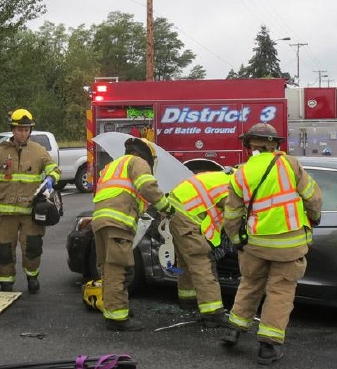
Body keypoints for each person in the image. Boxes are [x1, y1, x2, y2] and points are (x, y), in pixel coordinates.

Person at [221, 123, 322, 365]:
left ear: (249, 147)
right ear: (275, 145)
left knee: (250, 284)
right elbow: (313, 197)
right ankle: (268, 346)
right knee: (280, 292)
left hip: (255, 244)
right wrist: (315, 217)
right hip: (289, 245)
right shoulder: (290, 164)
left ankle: (234, 330)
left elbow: (232, 215)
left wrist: (237, 240)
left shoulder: (241, 173)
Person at [92, 137, 175, 331]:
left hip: (101, 221)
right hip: (118, 223)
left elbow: (119, 192)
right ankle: (117, 318)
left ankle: (113, 310)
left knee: (108, 268)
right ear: (144, 154)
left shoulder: (112, 166)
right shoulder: (137, 162)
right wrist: (166, 207)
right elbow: (147, 186)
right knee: (117, 269)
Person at [0, 109, 61, 293]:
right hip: (5, 213)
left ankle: (32, 278)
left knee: (32, 248)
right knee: (4, 251)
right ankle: (6, 282)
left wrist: (51, 179)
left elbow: (55, 169)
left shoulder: (39, 151)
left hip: (30, 213)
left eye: (26, 130)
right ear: (13, 129)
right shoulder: (1, 153)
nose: (23, 133)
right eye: (19, 129)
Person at [168, 170, 232, 327]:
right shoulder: (234, 188)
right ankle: (213, 314)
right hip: (187, 215)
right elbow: (233, 215)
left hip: (179, 210)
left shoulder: (225, 178)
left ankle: (188, 300)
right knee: (202, 263)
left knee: (186, 260)